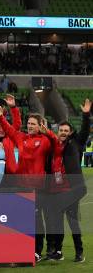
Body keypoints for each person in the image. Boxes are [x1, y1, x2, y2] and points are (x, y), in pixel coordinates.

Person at [0, 104, 52, 262]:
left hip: (37, 188)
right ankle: (23, 247)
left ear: (40, 126)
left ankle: (37, 251)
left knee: (36, 220)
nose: (29, 126)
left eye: (33, 124)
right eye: (28, 124)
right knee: (22, 219)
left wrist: (46, 131)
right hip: (21, 186)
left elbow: (54, 142)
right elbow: (9, 130)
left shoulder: (45, 141)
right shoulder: (21, 138)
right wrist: (1, 116)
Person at [42, 99, 90, 262]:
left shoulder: (75, 144)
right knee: (58, 224)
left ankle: (79, 252)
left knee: (73, 222)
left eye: (66, 130)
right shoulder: (53, 147)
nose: (62, 132)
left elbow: (84, 131)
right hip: (55, 191)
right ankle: (59, 252)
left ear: (70, 133)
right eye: (60, 130)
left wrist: (85, 114)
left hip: (71, 191)